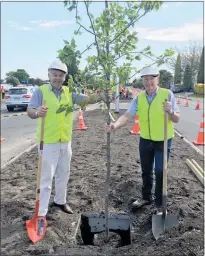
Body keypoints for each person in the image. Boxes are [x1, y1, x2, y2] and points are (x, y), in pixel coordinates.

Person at [27, 59, 109, 219]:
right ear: (49, 75)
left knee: (64, 173)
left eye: (60, 75)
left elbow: (87, 100)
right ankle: (42, 212)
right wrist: (37, 113)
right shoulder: (41, 91)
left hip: (65, 140)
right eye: (55, 75)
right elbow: (29, 110)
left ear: (65, 77)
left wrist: (103, 95)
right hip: (48, 141)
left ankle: (60, 201)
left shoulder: (69, 92)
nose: (57, 78)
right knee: (46, 177)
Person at [106, 66, 180, 215]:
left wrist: (170, 111)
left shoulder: (167, 94)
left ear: (157, 79)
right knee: (146, 171)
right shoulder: (139, 98)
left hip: (163, 140)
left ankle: (160, 204)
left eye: (151, 78)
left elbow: (177, 119)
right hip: (145, 140)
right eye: (145, 79)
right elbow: (127, 115)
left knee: (160, 171)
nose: (148, 82)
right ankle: (146, 197)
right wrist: (115, 125)